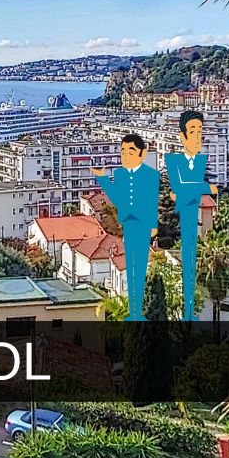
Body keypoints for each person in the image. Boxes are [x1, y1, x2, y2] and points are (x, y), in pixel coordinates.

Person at [95, 134, 159, 321]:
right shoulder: (120, 174)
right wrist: (103, 179)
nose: (126, 155)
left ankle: (138, 311)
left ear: (141, 153)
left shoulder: (150, 175)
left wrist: (153, 225)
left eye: (130, 151)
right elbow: (117, 198)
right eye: (123, 151)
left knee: (139, 266)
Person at [164, 110, 217, 322]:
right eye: (192, 131)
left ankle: (190, 309)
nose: (197, 136)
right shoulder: (176, 161)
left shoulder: (198, 161)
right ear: (182, 135)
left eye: (200, 131)